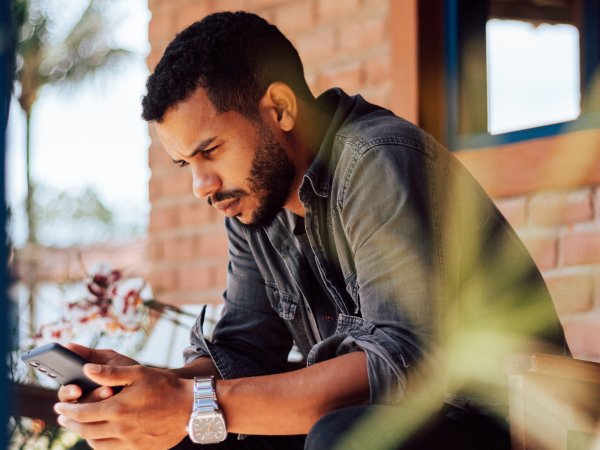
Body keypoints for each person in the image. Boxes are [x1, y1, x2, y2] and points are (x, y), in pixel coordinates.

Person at [54, 11, 567, 450]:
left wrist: (192, 404)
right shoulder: (256, 200)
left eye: (209, 151)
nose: (200, 185)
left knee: (338, 436)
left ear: (279, 108)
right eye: (183, 162)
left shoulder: (376, 160)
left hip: (504, 417)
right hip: (379, 424)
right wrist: (155, 387)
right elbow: (246, 354)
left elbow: (400, 368)